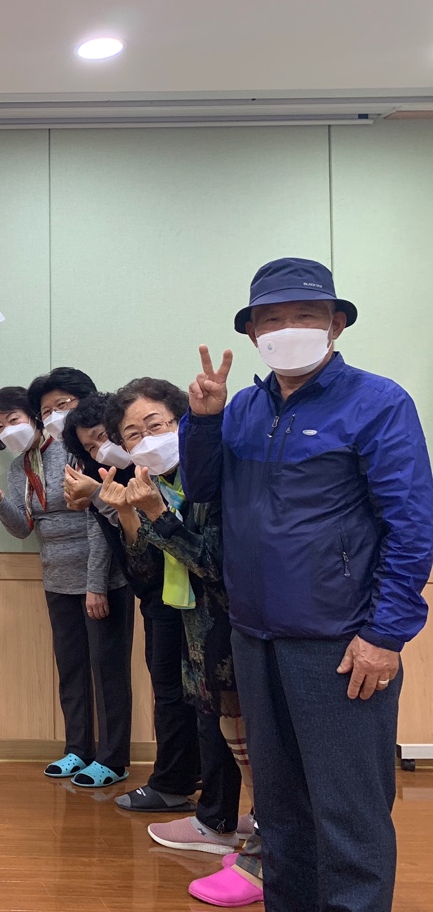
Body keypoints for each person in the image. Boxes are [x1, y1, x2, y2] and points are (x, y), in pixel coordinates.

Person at [182, 257, 433, 912]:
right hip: (255, 637)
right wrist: (202, 421)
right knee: (279, 812)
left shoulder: (378, 403)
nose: (287, 328)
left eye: (305, 315)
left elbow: (411, 525)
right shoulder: (241, 408)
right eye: (271, 319)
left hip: (342, 645)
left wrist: (385, 634)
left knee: (349, 816)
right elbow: (202, 492)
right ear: (252, 333)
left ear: (336, 325)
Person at [101, 378, 259, 906]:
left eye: (157, 424)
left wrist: (156, 515)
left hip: (235, 625)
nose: (147, 439)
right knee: (220, 728)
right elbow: (146, 572)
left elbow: (214, 565)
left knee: (251, 738)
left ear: (182, 422)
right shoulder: (157, 483)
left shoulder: (211, 477)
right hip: (193, 627)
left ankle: (255, 837)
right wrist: (129, 513)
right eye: (133, 434)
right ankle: (236, 829)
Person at [0, 373, 134, 789]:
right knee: (71, 668)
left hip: (102, 577)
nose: (8, 430)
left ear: (33, 417)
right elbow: (24, 529)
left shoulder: (76, 450)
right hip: (57, 579)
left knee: (108, 669)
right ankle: (78, 749)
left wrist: (96, 584)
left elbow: (99, 518)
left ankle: (113, 759)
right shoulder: (21, 467)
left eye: (13, 419)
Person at [60, 394, 203, 818]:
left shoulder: (180, 470)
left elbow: (179, 540)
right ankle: (176, 780)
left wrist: (102, 497)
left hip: (200, 596)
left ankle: (191, 788)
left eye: (103, 438)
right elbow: (138, 551)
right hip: (157, 593)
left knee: (200, 698)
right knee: (169, 689)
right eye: (90, 447)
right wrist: (104, 501)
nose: (100, 450)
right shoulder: (116, 475)